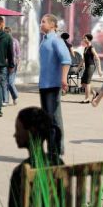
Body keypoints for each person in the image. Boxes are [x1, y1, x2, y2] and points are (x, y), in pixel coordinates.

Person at [35, 15, 73, 157]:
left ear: (52, 25)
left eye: (43, 21)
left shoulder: (56, 41)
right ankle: (56, 149)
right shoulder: (44, 41)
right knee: (51, 119)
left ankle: (54, 151)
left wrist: (63, 79)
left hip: (52, 85)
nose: (41, 23)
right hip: (44, 85)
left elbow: (66, 60)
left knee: (52, 120)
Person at [0, 15, 19, 111]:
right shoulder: (7, 37)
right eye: (3, 22)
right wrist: (11, 65)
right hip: (1, 65)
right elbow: (10, 54)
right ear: (1, 23)